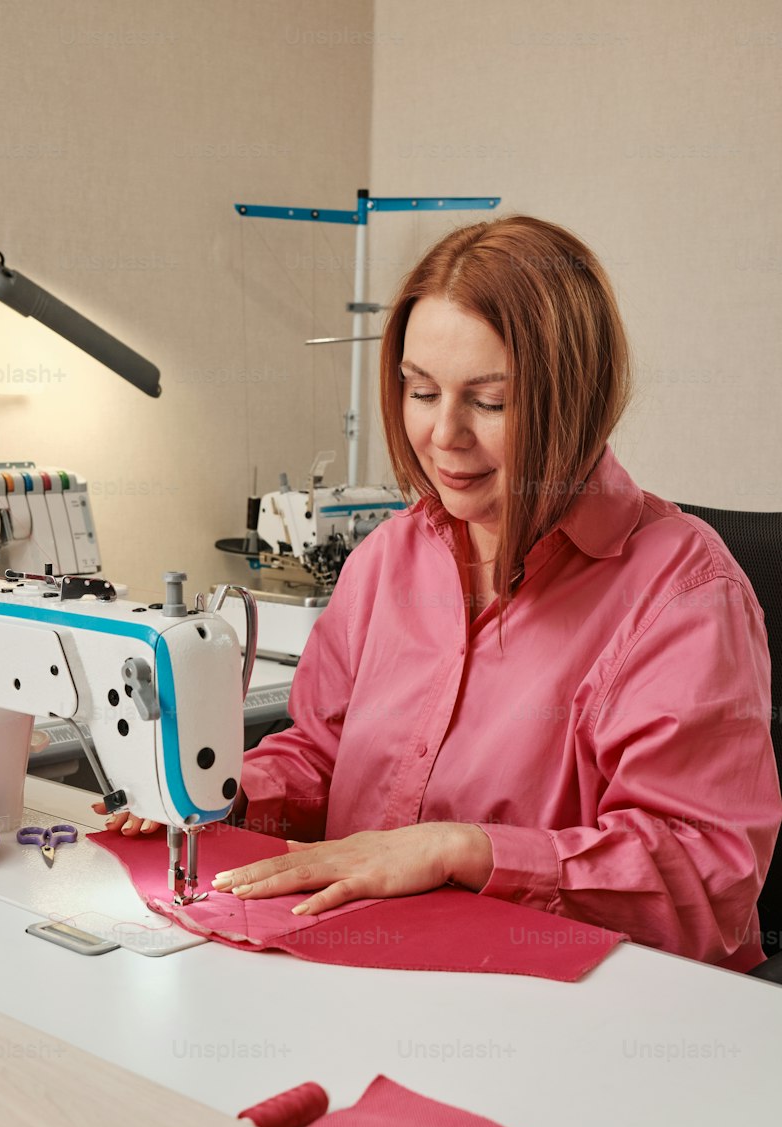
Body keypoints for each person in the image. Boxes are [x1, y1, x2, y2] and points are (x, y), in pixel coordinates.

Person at [98, 215, 781, 971]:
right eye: (421, 391)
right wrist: (223, 789)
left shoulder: (683, 593)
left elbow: (702, 878)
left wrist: (465, 850)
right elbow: (322, 757)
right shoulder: (391, 557)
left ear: (576, 401)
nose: (444, 435)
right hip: (373, 970)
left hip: (583, 1011)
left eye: (489, 403)